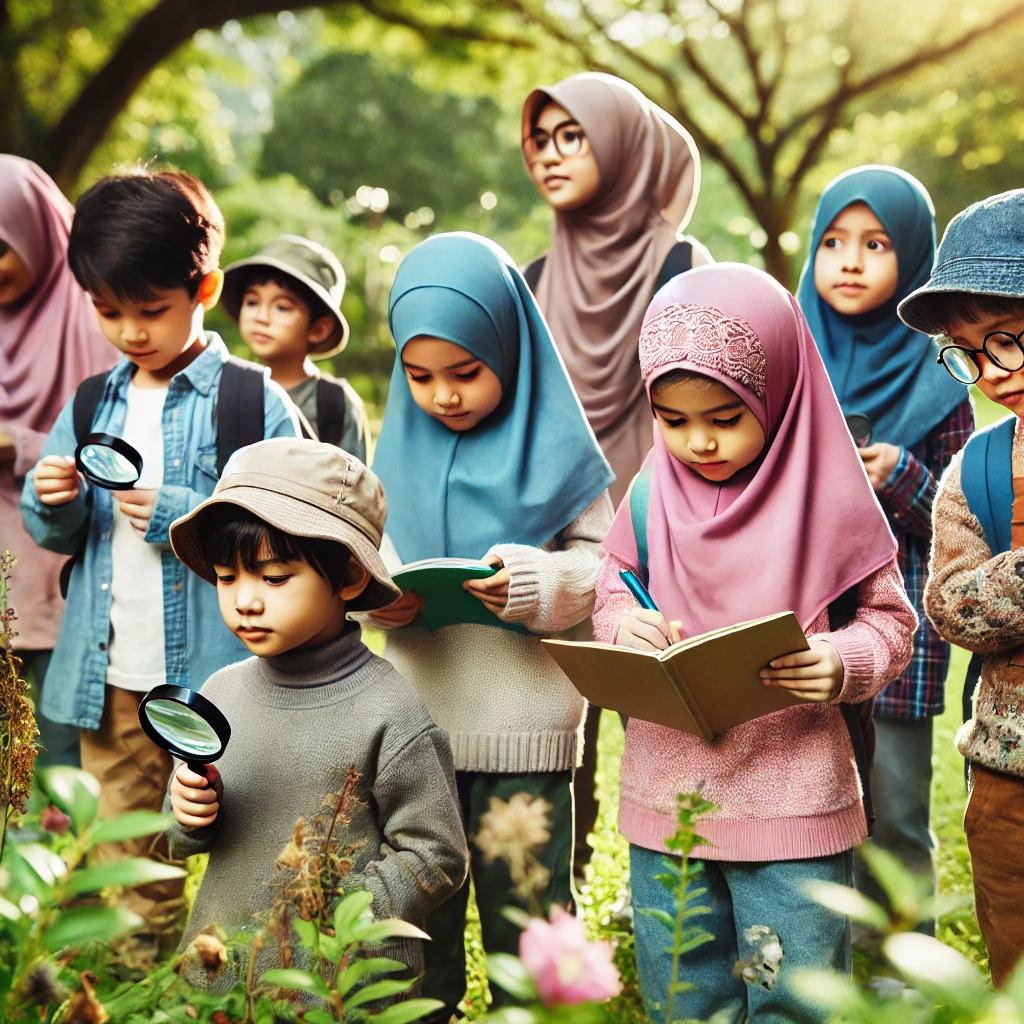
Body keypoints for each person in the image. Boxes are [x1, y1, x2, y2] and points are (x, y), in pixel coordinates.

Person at [595, 264, 916, 1023]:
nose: (698, 441)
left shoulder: (830, 492)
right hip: (668, 798)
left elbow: (892, 622)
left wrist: (841, 660)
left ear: (780, 393)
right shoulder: (649, 490)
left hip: (793, 796)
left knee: (794, 997)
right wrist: (621, 625)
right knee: (686, 991)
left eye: (724, 416)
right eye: (672, 420)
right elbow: (614, 583)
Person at [20, 169, 299, 952]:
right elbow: (56, 532)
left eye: (151, 311)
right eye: (108, 312)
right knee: (125, 855)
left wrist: (185, 513)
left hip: (225, 682)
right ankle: (135, 985)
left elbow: (298, 524)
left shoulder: (251, 401)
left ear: (205, 285)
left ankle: (228, 980)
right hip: (113, 679)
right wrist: (54, 494)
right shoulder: (91, 403)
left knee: (243, 842)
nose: (130, 332)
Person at [369, 232, 614, 1021]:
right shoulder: (391, 448)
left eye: (467, 372)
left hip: (524, 732)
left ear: (511, 345)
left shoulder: (561, 448)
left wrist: (537, 583)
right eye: (420, 375)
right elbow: (365, 554)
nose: (443, 394)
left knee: (529, 914)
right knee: (417, 923)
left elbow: (604, 567)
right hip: (417, 730)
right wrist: (377, 593)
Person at [164, 438, 468, 993]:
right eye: (227, 578)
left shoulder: (391, 709)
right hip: (225, 983)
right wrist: (187, 811)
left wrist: (335, 911)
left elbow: (437, 853)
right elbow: (179, 838)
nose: (245, 601)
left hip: (336, 987)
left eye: (274, 577)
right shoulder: (220, 693)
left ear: (350, 577)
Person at [521, 72, 711, 871]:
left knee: (666, 722)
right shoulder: (530, 281)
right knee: (558, 729)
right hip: (564, 533)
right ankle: (560, 898)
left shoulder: (681, 265)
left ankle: (680, 889)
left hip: (661, 535)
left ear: (624, 148)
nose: (550, 156)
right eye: (540, 140)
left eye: (574, 137)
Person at [796, 165, 973, 931]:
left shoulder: (944, 384)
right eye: (832, 241)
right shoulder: (784, 362)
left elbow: (968, 520)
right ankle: (816, 956)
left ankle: (902, 964)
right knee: (807, 804)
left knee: (896, 805)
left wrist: (900, 473)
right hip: (800, 625)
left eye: (875, 243)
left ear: (914, 254)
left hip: (898, 630)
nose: (851, 260)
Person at [901, 188, 1024, 988]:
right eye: (966, 352)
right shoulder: (976, 468)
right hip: (1009, 783)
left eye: (1007, 341)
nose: (988, 372)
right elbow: (950, 605)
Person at [0, 155, 117, 769]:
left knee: (59, 755)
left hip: (68, 563)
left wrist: (18, 444)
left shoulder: (99, 315)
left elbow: (118, 440)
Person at [220, 234, 371, 462]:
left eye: (282, 307)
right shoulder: (228, 389)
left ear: (319, 329)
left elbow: (352, 490)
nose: (261, 317)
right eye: (252, 302)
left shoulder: (335, 404)